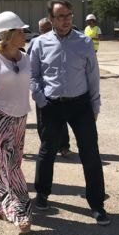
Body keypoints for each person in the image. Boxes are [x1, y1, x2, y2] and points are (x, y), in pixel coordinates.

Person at [29, 0, 110, 226]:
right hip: (52, 105)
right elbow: (33, 75)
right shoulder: (39, 43)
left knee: (90, 153)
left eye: (68, 15)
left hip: (80, 105)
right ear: (51, 19)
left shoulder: (84, 42)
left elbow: (92, 76)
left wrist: (95, 106)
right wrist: (40, 99)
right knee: (47, 151)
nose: (66, 20)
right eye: (60, 16)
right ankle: (42, 195)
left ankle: (97, 204)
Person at [0, 11, 32, 234]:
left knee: (9, 161)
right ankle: (22, 210)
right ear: (9, 35)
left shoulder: (25, 57)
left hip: (21, 114)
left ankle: (0, 203)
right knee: (11, 163)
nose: (24, 34)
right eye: (20, 31)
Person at [33, 18, 74, 159]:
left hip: (58, 91)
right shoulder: (35, 43)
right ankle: (47, 146)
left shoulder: (61, 42)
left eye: (47, 29)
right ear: (39, 30)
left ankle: (64, 147)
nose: (45, 32)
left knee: (61, 121)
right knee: (42, 122)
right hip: (42, 90)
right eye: (43, 29)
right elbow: (30, 67)